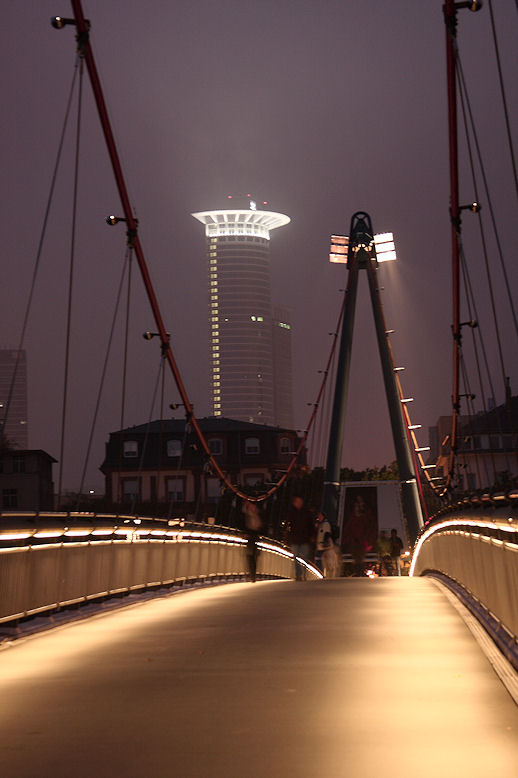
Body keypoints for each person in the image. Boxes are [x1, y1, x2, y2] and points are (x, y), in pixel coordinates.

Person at [285, 496, 314, 580]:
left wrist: (311, 535)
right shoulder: (291, 513)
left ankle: (303, 573)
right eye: (298, 502)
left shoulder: (306, 513)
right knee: (296, 557)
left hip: (304, 539)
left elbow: (311, 525)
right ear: (294, 503)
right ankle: (299, 574)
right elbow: (288, 526)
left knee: (304, 557)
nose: (300, 503)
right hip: (295, 539)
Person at [243, 500, 262, 582]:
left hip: (255, 537)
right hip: (249, 537)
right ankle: (252, 575)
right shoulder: (245, 514)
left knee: (254, 556)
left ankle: (252, 575)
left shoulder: (258, 514)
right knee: (250, 556)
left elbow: (261, 525)